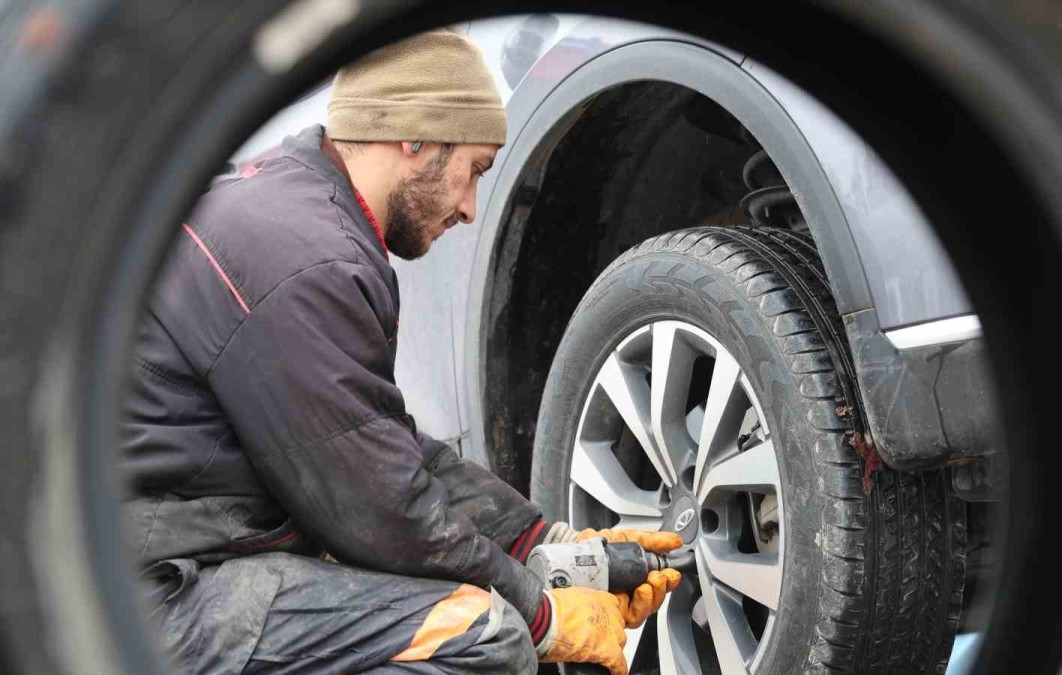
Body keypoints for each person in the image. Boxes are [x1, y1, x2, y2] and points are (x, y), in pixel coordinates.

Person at [121, 27, 681, 675]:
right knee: (483, 633)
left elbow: (379, 447)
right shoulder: (309, 261)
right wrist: (544, 613)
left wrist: (544, 542)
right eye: (472, 170)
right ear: (414, 141)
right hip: (163, 596)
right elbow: (377, 510)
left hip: (192, 557)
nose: (471, 207)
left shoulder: (293, 208)